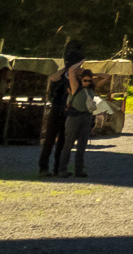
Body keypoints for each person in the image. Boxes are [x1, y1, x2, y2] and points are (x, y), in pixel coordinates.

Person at [42, 44, 86, 176]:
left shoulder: (77, 77)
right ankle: (43, 168)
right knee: (50, 139)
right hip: (57, 108)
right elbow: (53, 79)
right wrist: (66, 69)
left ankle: (57, 168)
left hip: (68, 111)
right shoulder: (61, 75)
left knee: (63, 140)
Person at [62, 70, 97, 178]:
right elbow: (71, 72)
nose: (87, 82)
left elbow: (106, 77)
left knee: (82, 146)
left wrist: (94, 74)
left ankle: (79, 171)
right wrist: (79, 66)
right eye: (85, 80)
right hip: (74, 117)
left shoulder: (91, 88)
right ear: (80, 79)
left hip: (86, 117)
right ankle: (62, 170)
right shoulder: (75, 86)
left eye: (89, 80)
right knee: (68, 144)